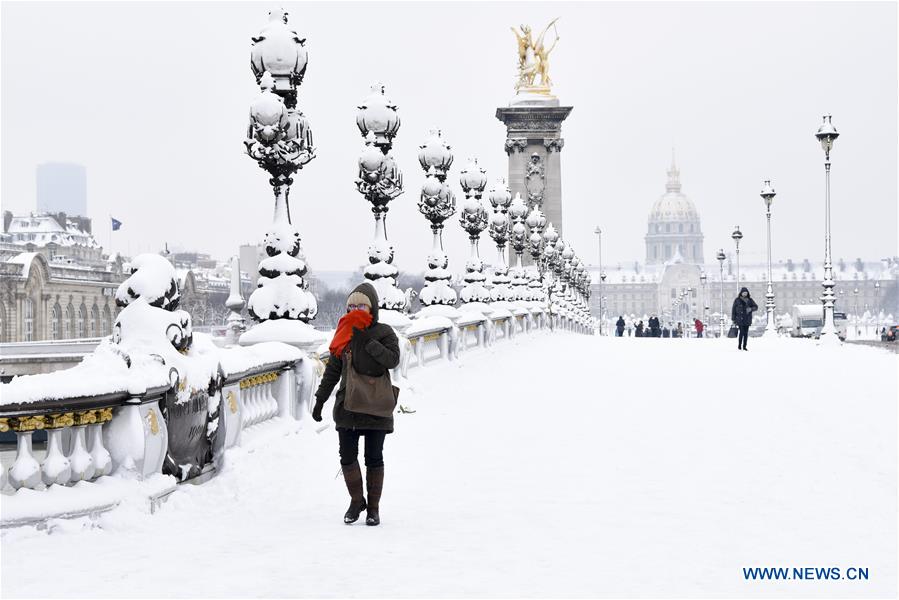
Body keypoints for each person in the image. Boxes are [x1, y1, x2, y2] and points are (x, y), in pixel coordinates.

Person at [313, 282, 400, 526]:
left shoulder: (384, 332)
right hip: (348, 407)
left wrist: (366, 340)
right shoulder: (344, 333)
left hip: (376, 407)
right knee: (347, 456)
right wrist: (320, 400)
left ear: (372, 307)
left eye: (361, 305)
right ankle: (356, 501)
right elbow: (332, 371)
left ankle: (373, 508)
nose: (355, 310)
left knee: (374, 456)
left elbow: (392, 360)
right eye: (350, 306)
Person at [731, 286, 759, 351]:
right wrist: (733, 319)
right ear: (741, 293)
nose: (745, 294)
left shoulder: (750, 300)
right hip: (739, 319)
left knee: (746, 333)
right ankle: (739, 345)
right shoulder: (737, 300)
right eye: (744, 293)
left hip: (747, 319)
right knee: (741, 332)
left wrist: (751, 309)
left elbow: (756, 307)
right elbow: (733, 310)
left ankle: (744, 346)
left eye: (746, 293)